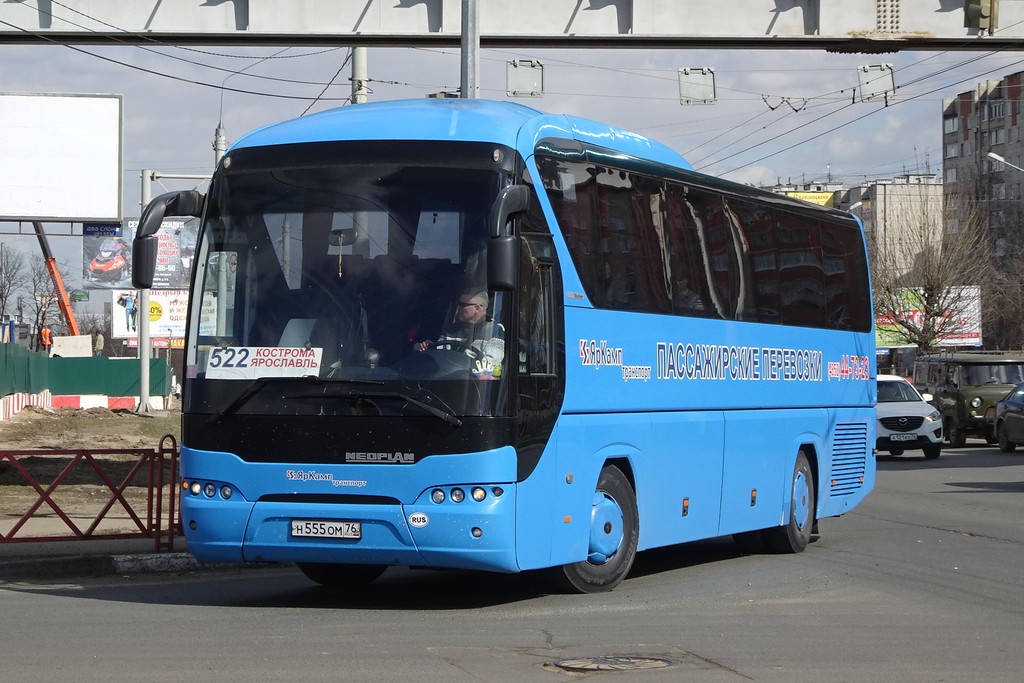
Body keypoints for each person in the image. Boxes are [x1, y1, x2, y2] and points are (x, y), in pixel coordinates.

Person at [415, 290, 505, 366]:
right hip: (447, 379)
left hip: (474, 383)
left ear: (476, 308)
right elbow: (441, 353)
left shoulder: (494, 329)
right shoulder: (452, 329)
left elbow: (492, 363)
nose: (458, 307)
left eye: (462, 304)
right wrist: (430, 347)